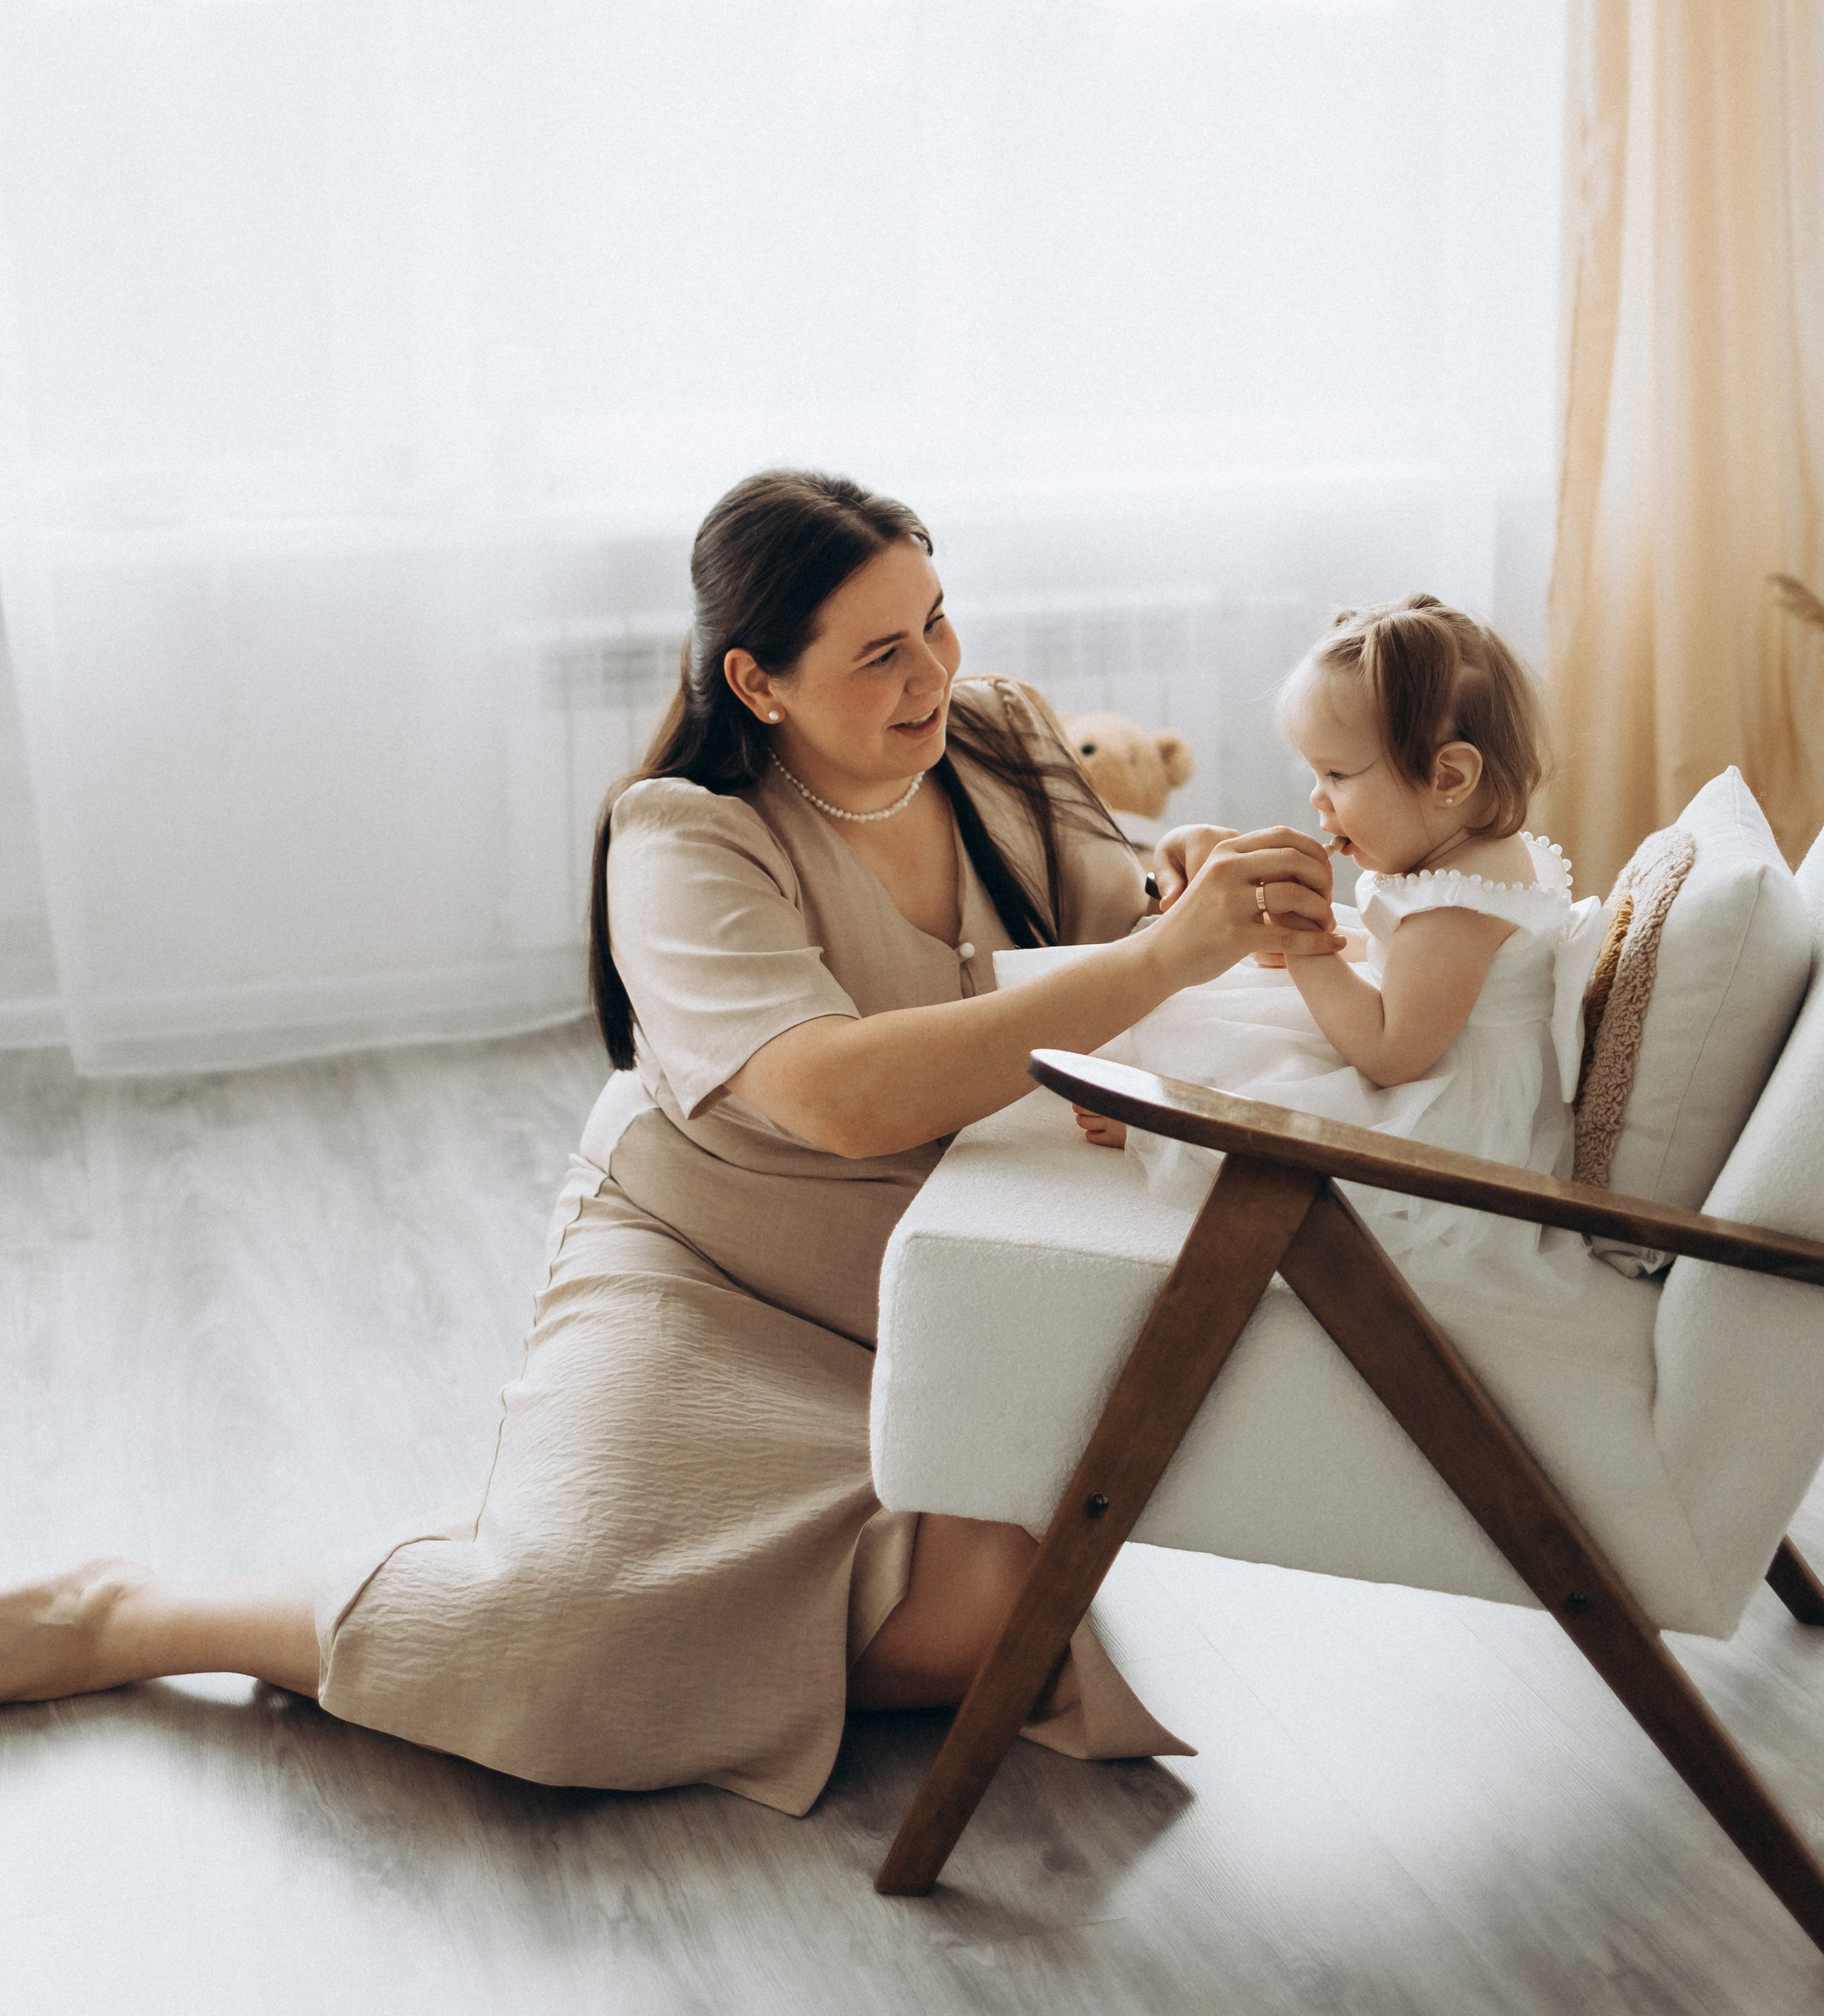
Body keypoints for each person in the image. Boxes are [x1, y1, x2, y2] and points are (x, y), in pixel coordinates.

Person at [0, 469, 1340, 1813]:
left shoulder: (999, 735)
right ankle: (139, 1618)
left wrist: (1171, 884)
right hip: (711, 1273)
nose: (933, 671)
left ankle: (614, 1575)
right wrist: (1159, 958)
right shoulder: (684, 834)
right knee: (553, 1653)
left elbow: (1102, 925)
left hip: (950, 1279)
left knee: (988, 1632)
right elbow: (838, 1098)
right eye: (880, 653)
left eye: (937, 619)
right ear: (758, 683)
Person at [1072, 596, 1604, 1285]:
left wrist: (1306, 950)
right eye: (1315, 775)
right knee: (1241, 1014)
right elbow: (1412, 970)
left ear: (1448, 777)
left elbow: (1390, 1054)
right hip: (1437, 1058)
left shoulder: (1453, 908)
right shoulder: (1467, 858)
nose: (1318, 799)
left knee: (1277, 1097)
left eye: (1338, 775)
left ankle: (1163, 1131)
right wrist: (1334, 942)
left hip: (1445, 1130)